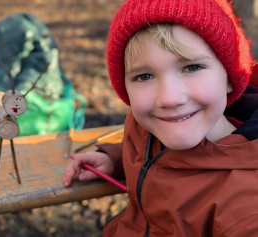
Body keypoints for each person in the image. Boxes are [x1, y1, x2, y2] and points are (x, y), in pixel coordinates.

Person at [64, 0, 258, 236]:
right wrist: (115, 160)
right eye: (144, 76)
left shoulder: (246, 207)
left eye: (192, 68)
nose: (169, 98)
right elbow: (152, 154)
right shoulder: (149, 124)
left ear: (229, 76)